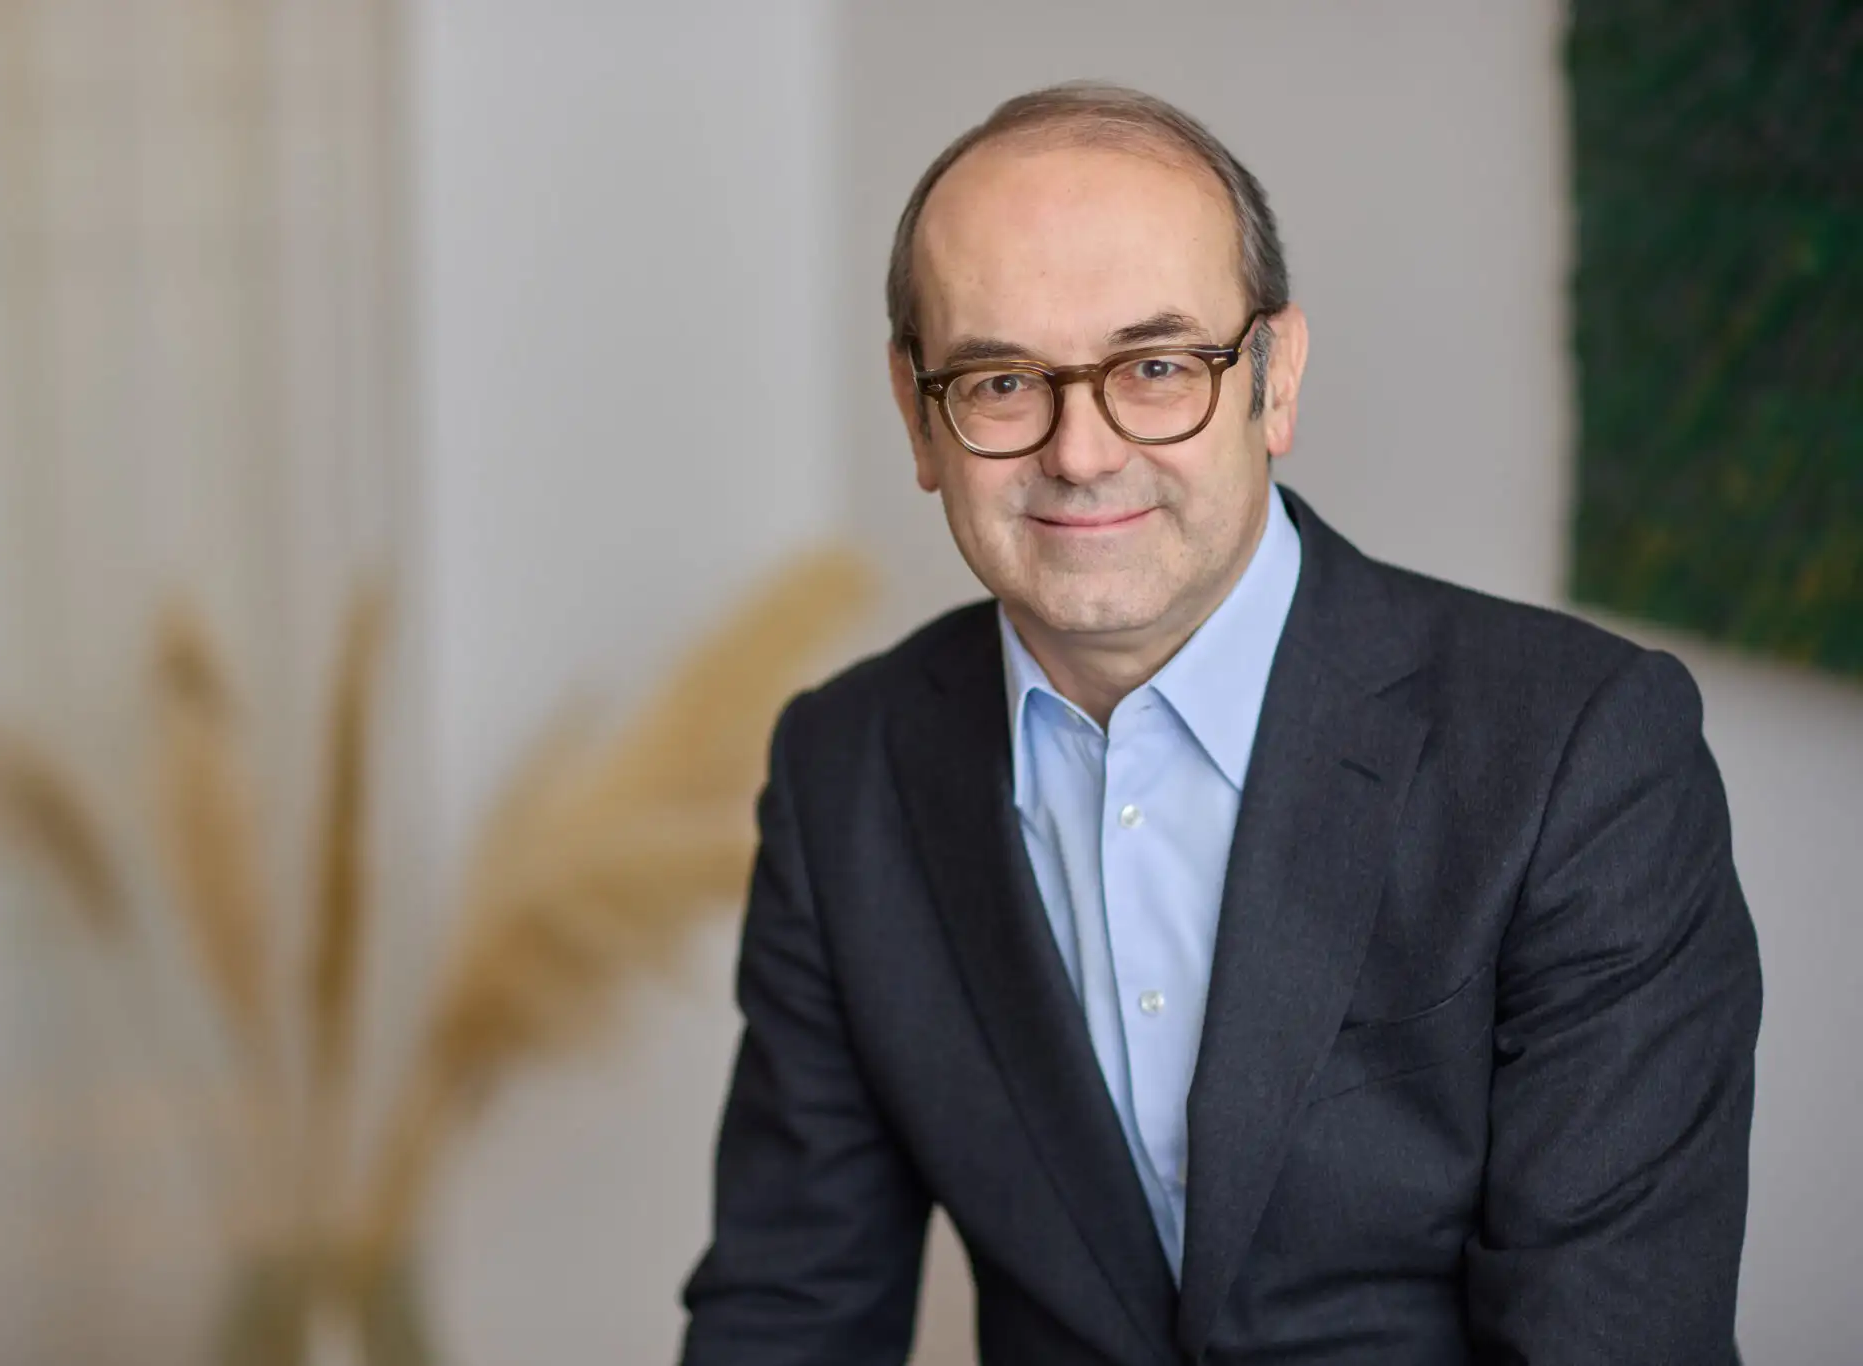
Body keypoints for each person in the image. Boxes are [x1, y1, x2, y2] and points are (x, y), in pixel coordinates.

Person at [677, 82, 1760, 1366]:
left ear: (1272, 379)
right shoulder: (842, 770)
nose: (1080, 453)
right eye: (1001, 380)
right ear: (918, 414)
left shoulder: (1579, 756)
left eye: (1154, 367)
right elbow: (788, 1311)